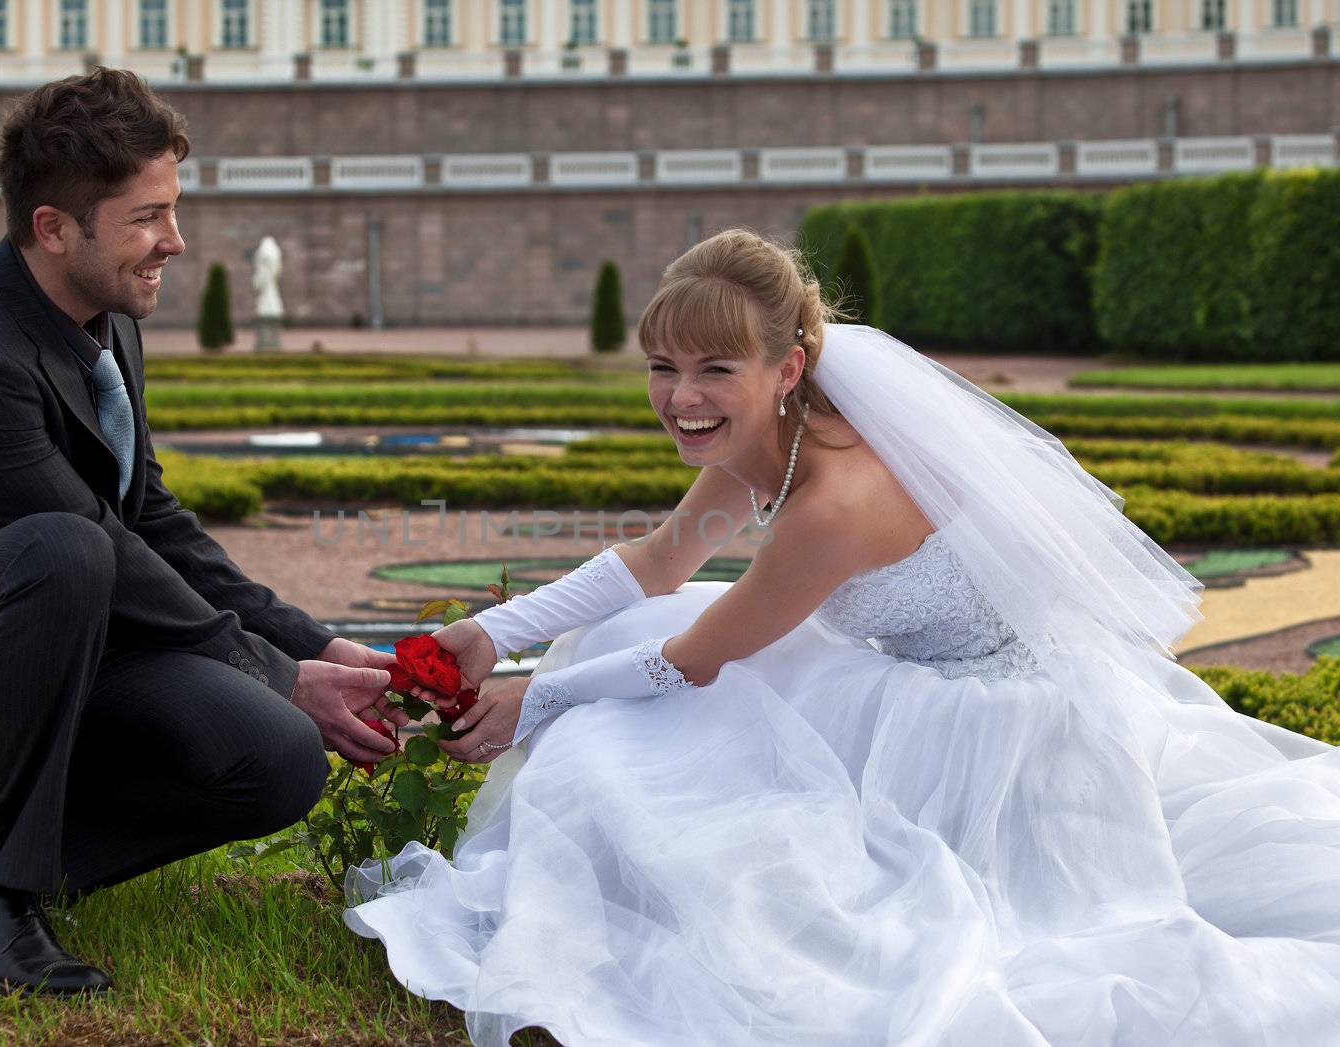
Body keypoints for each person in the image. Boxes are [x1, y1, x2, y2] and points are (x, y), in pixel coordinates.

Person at [345, 229, 1340, 1045]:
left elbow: (694, 660)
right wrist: (487, 632)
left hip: (1006, 733)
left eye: (712, 370)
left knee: (629, 725)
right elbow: (657, 564)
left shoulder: (837, 499)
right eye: (662, 368)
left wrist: (535, 699)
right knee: (638, 645)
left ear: (787, 367)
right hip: (902, 678)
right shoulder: (763, 439)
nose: (680, 398)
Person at [0, 68, 400, 996]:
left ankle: (35, 860)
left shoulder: (102, 313)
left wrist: (309, 644)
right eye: (147, 216)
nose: (175, 240)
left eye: (172, 209)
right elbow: (103, 547)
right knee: (66, 546)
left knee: (279, 758)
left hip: (64, 638)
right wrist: (281, 674)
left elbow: (152, 517)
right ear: (54, 228)